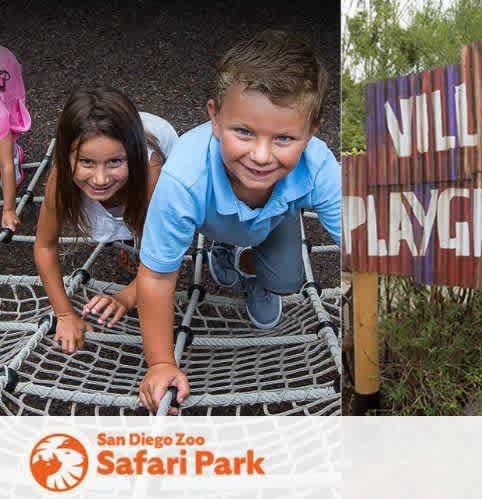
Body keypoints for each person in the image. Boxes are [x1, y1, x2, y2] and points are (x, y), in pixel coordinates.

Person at [135, 31, 340, 413]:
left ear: (312, 133)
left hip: (274, 215)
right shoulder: (183, 177)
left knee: (288, 280)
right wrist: (161, 362)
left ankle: (248, 264)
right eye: (243, 132)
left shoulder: (317, 164)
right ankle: (224, 247)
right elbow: (158, 274)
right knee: (216, 229)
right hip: (211, 217)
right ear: (214, 117)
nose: (261, 156)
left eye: (283, 138)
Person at [33, 87, 177, 354]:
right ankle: (125, 230)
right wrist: (64, 314)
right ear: (67, 157)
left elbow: (167, 257)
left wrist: (126, 296)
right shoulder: (61, 179)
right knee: (121, 212)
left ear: (131, 157)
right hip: (129, 141)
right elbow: (44, 246)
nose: (100, 179)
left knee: (149, 228)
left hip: (155, 145)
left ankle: (131, 231)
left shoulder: (152, 178)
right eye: (86, 162)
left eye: (114, 162)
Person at [1, 46, 32, 232]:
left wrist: (9, 209)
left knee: (5, 155)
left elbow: (6, 166)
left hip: (7, 74)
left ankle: (14, 151)